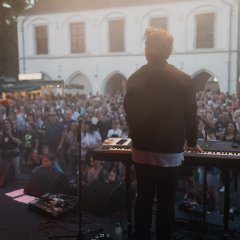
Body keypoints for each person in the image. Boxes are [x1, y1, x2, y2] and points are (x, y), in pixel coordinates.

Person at [124, 27, 203, 240]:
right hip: (170, 151)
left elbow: (129, 112)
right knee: (167, 202)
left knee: (143, 199)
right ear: (169, 51)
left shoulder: (134, 78)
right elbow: (191, 115)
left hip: (141, 150)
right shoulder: (183, 78)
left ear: (147, 49)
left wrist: (138, 136)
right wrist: (192, 141)